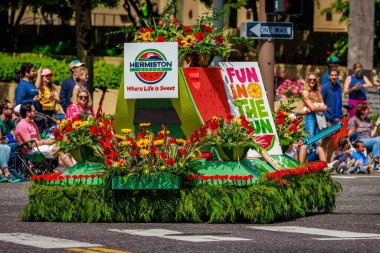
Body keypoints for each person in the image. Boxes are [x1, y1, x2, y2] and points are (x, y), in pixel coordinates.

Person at [15, 102, 76, 169]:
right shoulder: (22, 125)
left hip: (38, 147)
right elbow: (30, 145)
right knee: (61, 150)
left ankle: (70, 171)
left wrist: (50, 141)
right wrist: (46, 142)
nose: (36, 112)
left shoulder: (32, 123)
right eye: (34, 111)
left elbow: (39, 139)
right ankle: (74, 171)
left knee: (66, 147)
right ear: (28, 113)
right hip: (30, 151)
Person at [348, 103, 380, 171]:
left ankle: (376, 163)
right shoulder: (353, 120)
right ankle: (377, 163)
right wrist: (355, 128)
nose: (369, 110)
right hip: (359, 141)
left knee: (378, 139)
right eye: (367, 109)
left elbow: (371, 135)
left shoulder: (368, 120)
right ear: (362, 111)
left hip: (369, 140)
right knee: (378, 140)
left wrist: (376, 125)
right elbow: (349, 134)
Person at [0, 99, 18, 166]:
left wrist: (15, 122)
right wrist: (6, 140)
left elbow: (15, 137)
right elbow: (0, 142)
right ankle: (11, 167)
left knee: (19, 144)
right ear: (4, 110)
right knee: (15, 146)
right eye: (11, 108)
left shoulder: (9, 122)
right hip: (2, 146)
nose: (13, 110)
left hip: (4, 144)